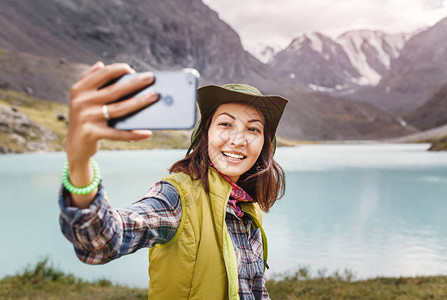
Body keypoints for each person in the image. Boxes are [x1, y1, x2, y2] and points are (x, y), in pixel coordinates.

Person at [59, 61, 288, 299]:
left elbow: (254, 290)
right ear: (205, 134)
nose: (238, 140)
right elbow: (103, 239)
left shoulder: (247, 207)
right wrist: (79, 162)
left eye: (253, 129)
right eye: (225, 124)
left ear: (264, 144)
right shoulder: (177, 196)